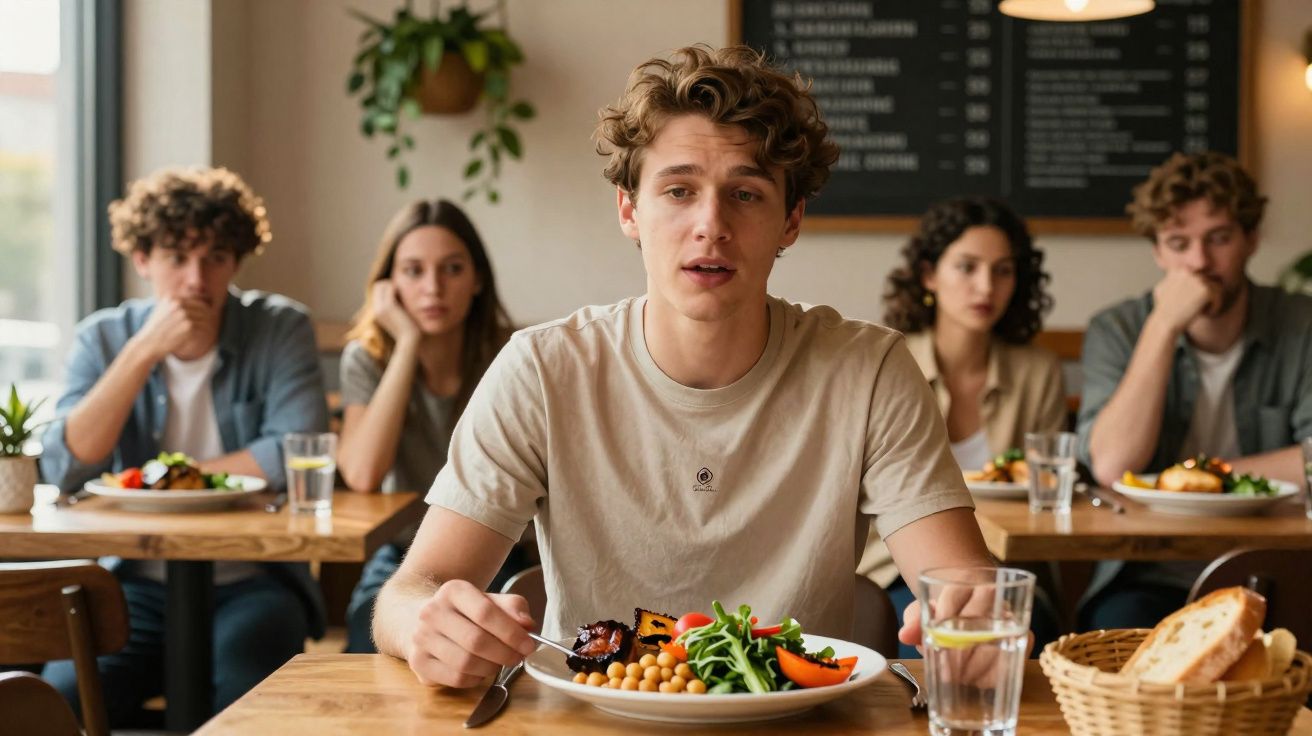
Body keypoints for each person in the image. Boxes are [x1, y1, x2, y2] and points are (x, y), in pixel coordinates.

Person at [372, 45, 999, 688]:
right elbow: (409, 591)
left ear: (791, 220)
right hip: (594, 720)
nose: (711, 225)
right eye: (678, 190)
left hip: (800, 726)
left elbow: (962, 584)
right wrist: (427, 623)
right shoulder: (541, 369)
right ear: (629, 210)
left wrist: (974, 617)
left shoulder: (870, 371)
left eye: (746, 195)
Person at [38, 167, 328, 725]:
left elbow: (295, 448)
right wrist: (143, 351)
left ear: (236, 262)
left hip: (254, 578)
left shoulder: (279, 327)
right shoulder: (104, 337)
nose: (196, 279)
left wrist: (167, 481)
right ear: (142, 260)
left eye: (216, 257)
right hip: (135, 582)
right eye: (177, 257)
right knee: (64, 701)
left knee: (249, 699)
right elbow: (66, 463)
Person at [1076, 151, 1312, 630]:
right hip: (1147, 570)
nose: (1200, 262)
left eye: (1218, 238)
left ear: (1251, 238)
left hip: (1276, 566)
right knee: (1116, 632)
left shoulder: (1302, 324)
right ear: (1158, 253)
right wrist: (1163, 326)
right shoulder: (1118, 328)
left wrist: (1195, 481)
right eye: (1179, 243)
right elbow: (1111, 464)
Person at [865, 196, 1065, 656]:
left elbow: (1048, 492)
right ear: (929, 274)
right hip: (897, 569)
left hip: (1012, 571)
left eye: (1003, 270)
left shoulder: (1039, 372)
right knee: (941, 644)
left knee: (1039, 641)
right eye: (967, 267)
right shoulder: (886, 362)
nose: (986, 287)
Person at [335, 198, 526, 653]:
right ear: (389, 285)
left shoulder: (512, 357)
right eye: (414, 271)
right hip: (404, 557)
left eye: (452, 269)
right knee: (369, 634)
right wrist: (406, 346)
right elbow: (363, 473)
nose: (433, 288)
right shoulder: (368, 359)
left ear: (477, 279)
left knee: (484, 645)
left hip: (501, 552)